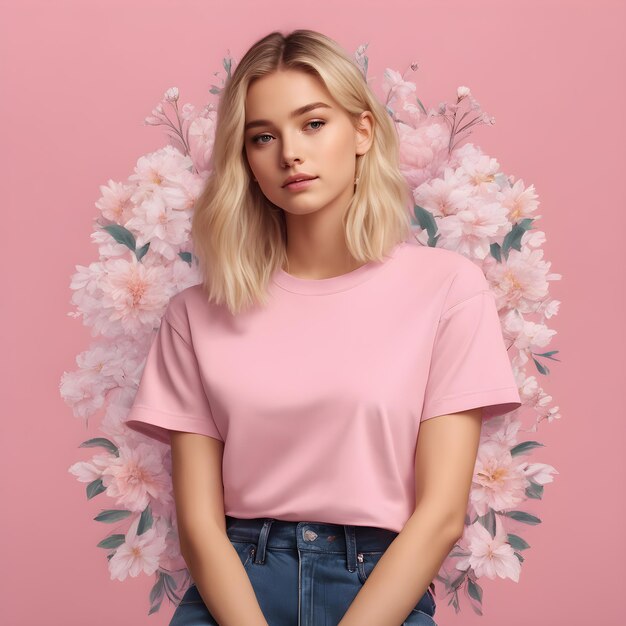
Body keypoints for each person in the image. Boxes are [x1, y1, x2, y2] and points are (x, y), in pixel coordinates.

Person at [124, 29, 522, 626]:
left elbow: (441, 514)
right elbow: (200, 527)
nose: (290, 153)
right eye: (263, 136)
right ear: (246, 158)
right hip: (235, 595)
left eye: (313, 124)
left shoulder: (447, 290)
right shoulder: (195, 313)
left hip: (379, 589)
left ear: (362, 132)